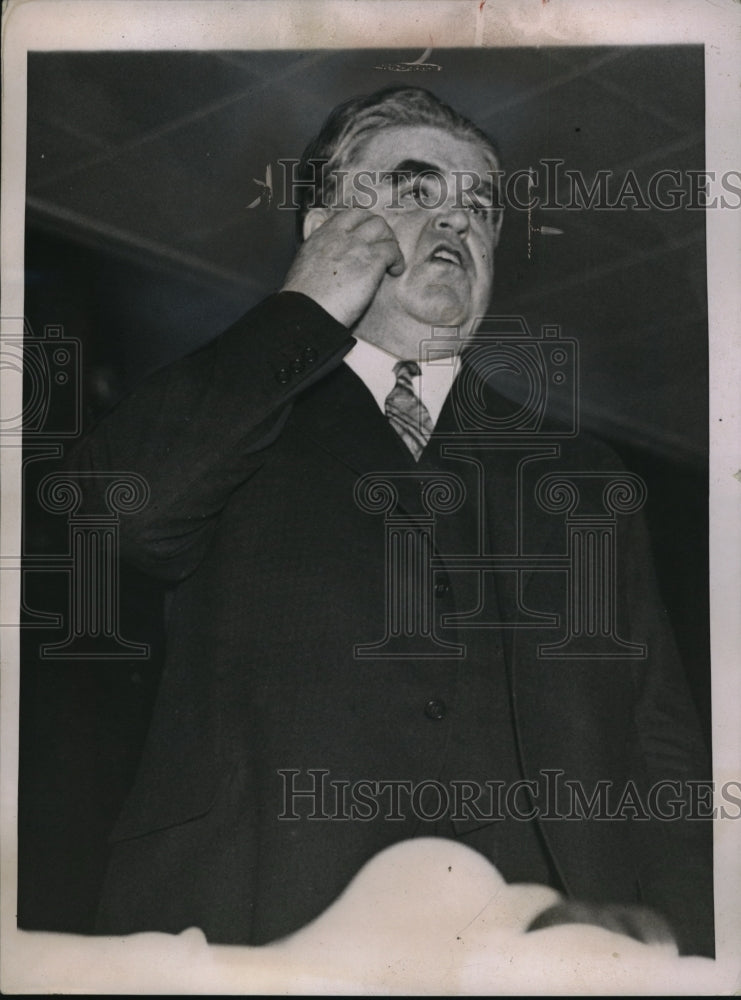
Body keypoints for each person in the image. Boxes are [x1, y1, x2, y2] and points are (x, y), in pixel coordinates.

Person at [68, 86, 713, 955]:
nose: (456, 224)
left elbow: (657, 738)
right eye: (414, 191)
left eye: (477, 209)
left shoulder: (584, 476)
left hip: (539, 946)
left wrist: (698, 952)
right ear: (323, 226)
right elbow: (117, 517)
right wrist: (299, 315)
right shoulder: (240, 412)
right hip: (256, 916)